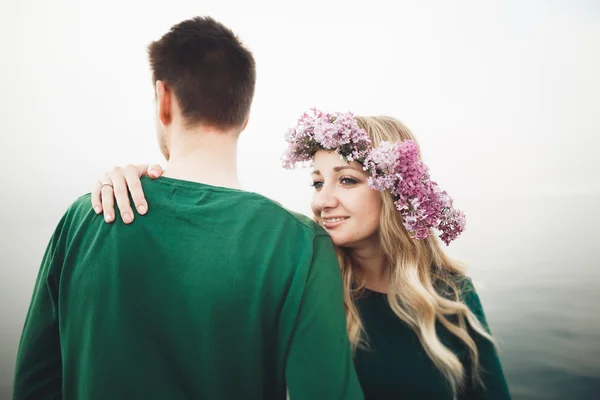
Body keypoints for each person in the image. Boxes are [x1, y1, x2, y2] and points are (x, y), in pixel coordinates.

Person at [13, 19, 363, 400]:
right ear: (244, 117)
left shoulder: (85, 217)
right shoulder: (300, 245)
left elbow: (35, 384)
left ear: (164, 100)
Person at [96, 109, 512, 399]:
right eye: (316, 183)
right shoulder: (303, 277)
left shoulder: (451, 294)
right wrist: (144, 186)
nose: (322, 201)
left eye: (346, 181)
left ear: (397, 191)